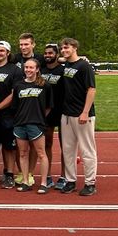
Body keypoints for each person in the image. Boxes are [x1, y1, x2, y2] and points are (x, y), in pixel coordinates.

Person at [59, 37, 97, 196]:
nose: (63, 50)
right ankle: (70, 180)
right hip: (66, 115)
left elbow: (91, 90)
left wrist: (85, 112)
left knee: (87, 150)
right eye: (62, 48)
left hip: (82, 115)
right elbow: (59, 58)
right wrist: (62, 57)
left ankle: (90, 183)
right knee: (68, 150)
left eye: (66, 47)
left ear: (75, 48)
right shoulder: (67, 63)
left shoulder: (84, 66)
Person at [0, 41, 24, 188]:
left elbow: (14, 94)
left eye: (2, 51)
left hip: (8, 114)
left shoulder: (15, 70)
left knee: (9, 147)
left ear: (8, 53)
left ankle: (9, 174)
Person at [11, 58, 52, 193]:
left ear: (37, 69)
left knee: (41, 153)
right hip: (20, 124)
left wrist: (38, 117)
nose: (28, 70)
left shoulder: (44, 85)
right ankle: (25, 181)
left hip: (36, 125)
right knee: (22, 153)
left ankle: (44, 183)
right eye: (26, 67)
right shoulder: (18, 86)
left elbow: (48, 107)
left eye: (31, 67)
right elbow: (16, 106)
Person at [41, 43, 66, 189]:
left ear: (57, 55)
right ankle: (48, 175)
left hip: (62, 111)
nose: (47, 56)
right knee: (47, 144)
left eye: (50, 53)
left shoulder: (63, 70)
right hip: (47, 112)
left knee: (65, 146)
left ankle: (64, 176)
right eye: (46, 53)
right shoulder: (41, 69)